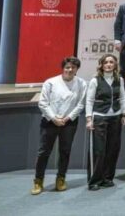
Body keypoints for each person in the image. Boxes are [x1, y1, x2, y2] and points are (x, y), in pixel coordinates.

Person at [32, 57, 86, 195]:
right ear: (63, 68)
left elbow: (81, 104)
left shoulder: (81, 84)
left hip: (69, 122)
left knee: (65, 151)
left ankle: (61, 179)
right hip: (50, 121)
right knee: (43, 152)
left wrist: (68, 118)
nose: (70, 70)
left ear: (77, 69)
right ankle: (38, 181)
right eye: (67, 67)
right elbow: (43, 103)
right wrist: (54, 118)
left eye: (73, 67)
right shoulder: (50, 82)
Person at [84, 54, 125, 190]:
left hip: (116, 117)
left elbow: (122, 98)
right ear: (101, 65)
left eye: (111, 62)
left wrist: (124, 114)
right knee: (99, 150)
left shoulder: (119, 79)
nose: (108, 64)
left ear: (115, 65)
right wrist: (89, 119)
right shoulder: (95, 80)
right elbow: (89, 100)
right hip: (99, 117)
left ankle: (107, 178)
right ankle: (94, 181)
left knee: (113, 149)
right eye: (106, 62)